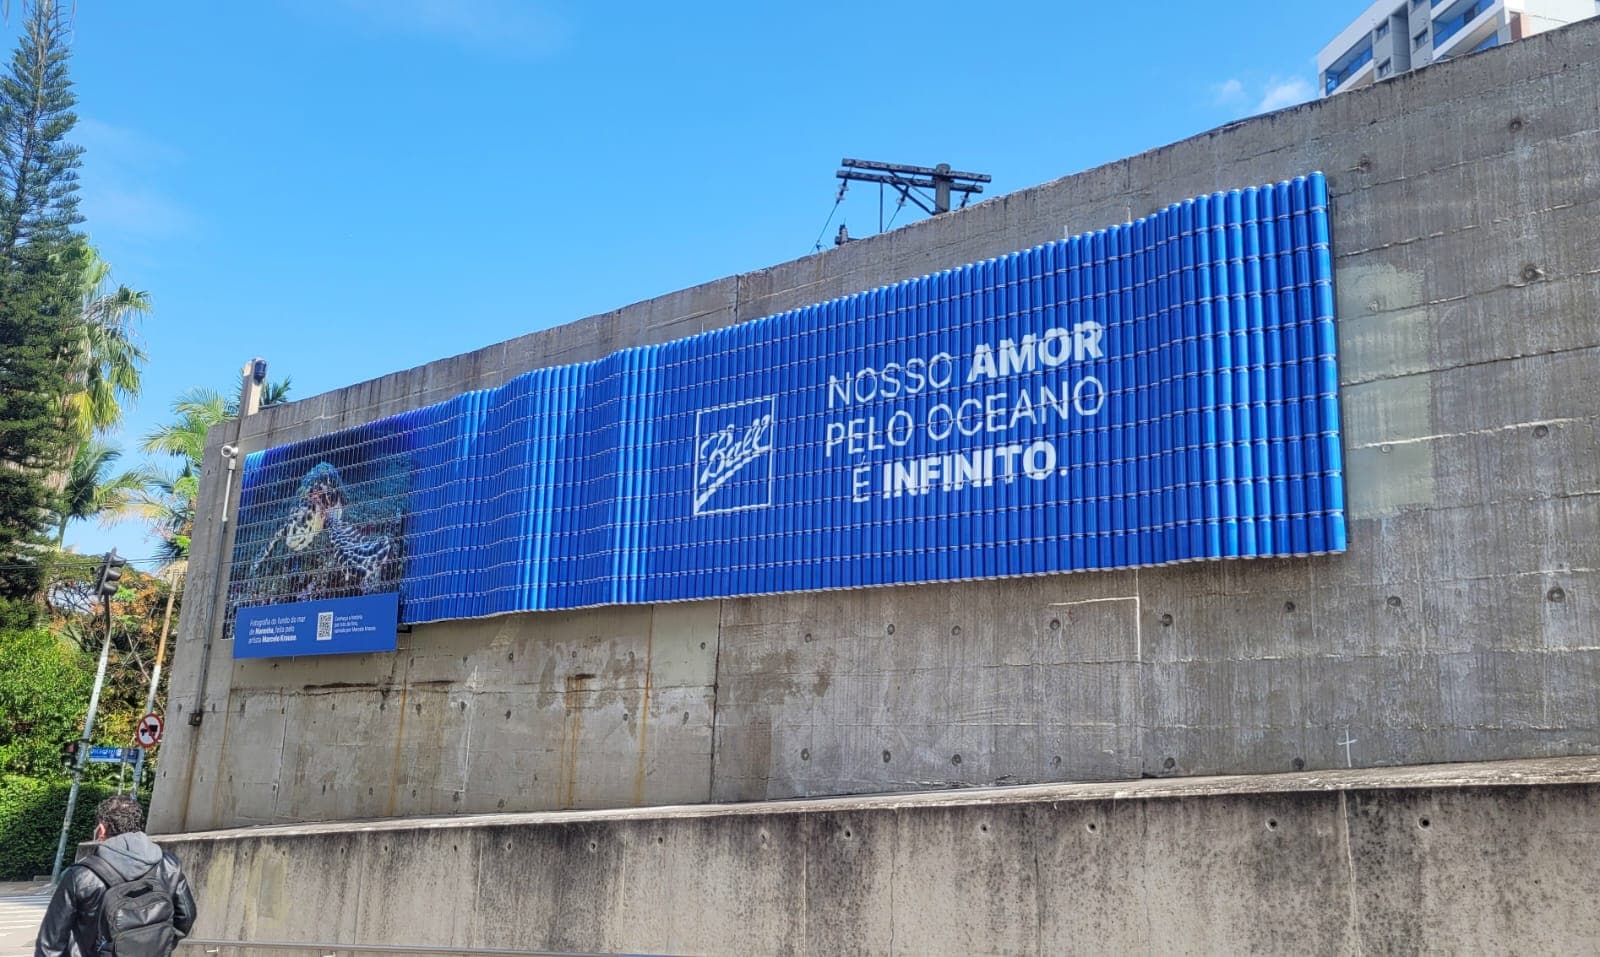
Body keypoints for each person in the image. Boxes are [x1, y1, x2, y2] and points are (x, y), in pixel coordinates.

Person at [34, 794, 197, 957]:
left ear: (102, 828)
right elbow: (186, 916)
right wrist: (159, 943)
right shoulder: (169, 864)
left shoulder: (81, 875)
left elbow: (50, 944)